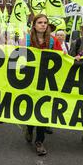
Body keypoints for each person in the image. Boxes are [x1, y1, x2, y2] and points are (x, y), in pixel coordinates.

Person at [24, 14, 62, 156]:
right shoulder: (26, 40)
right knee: (30, 109)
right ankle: (29, 128)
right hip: (30, 82)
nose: (43, 25)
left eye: (45, 22)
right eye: (40, 22)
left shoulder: (53, 41)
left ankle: (39, 141)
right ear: (34, 25)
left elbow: (61, 59)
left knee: (42, 111)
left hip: (46, 82)